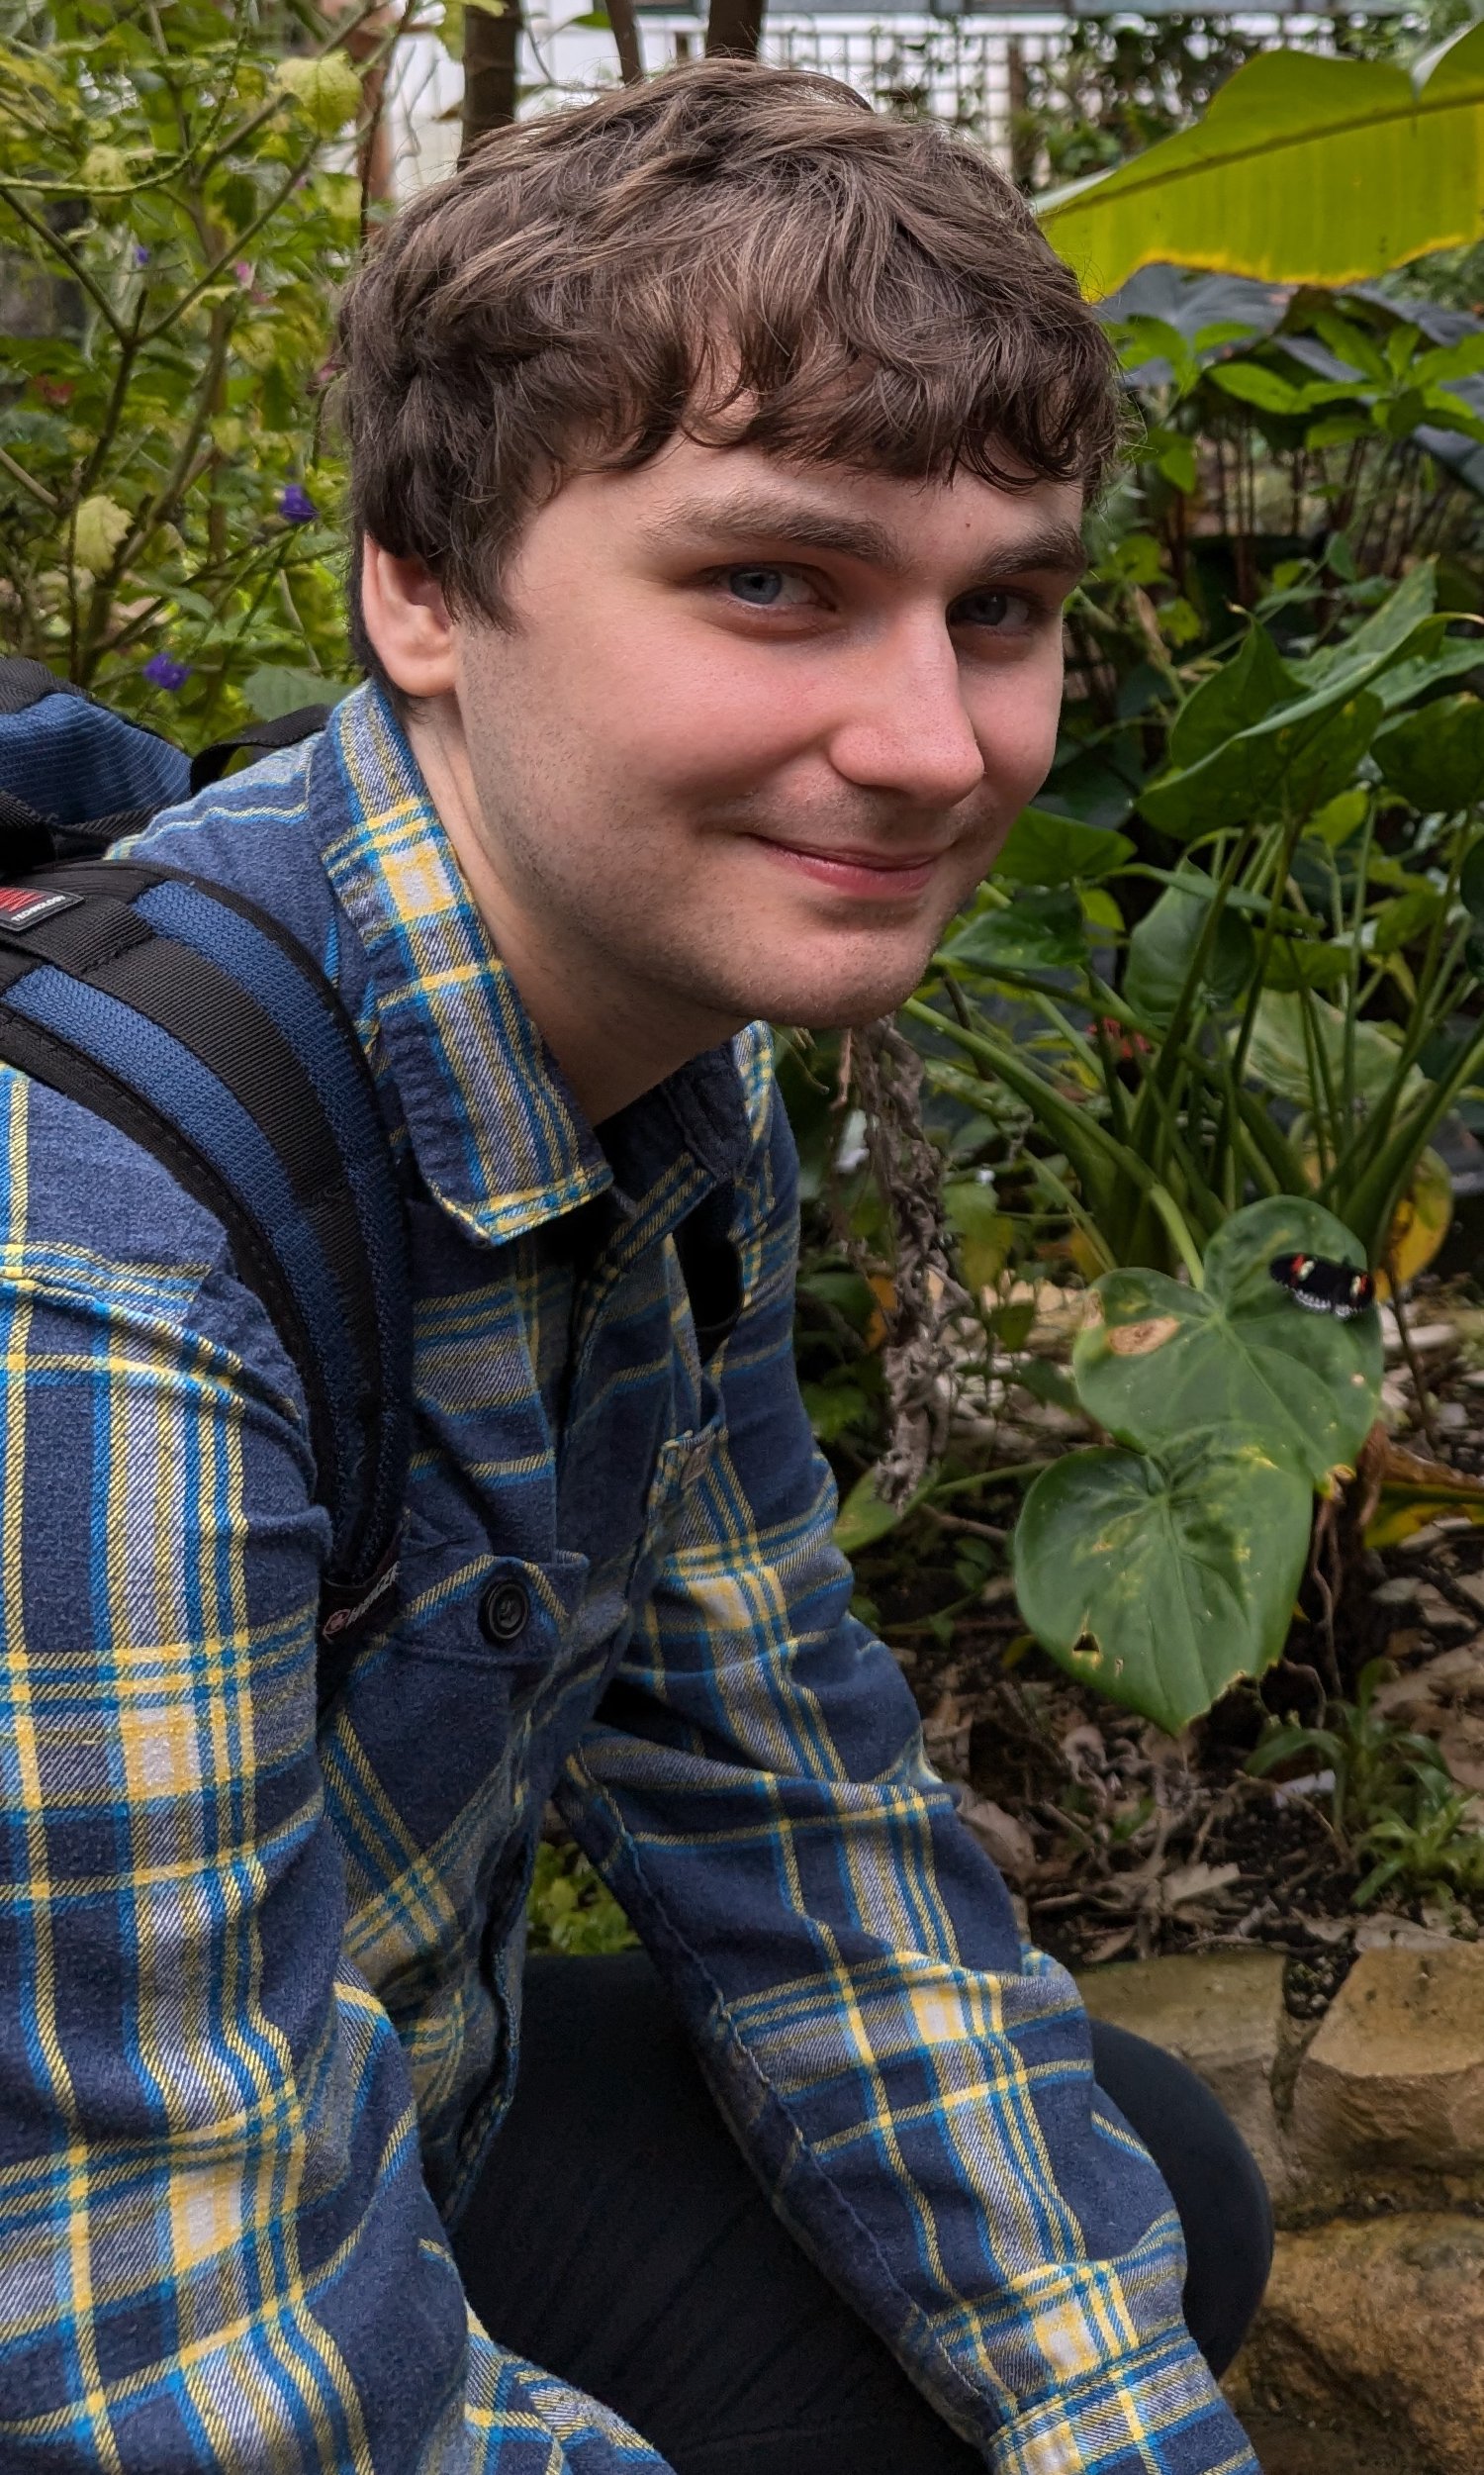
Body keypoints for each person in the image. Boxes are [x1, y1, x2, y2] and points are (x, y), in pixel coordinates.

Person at [0, 59, 1270, 2475]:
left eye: (998, 608)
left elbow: (792, 1808)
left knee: (1136, 2201)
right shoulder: (88, 1275)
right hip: (81, 2263)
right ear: (423, 585)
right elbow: (171, 2381)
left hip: (370, 2073)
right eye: (774, 580)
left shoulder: (668, 1048)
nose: (930, 744)